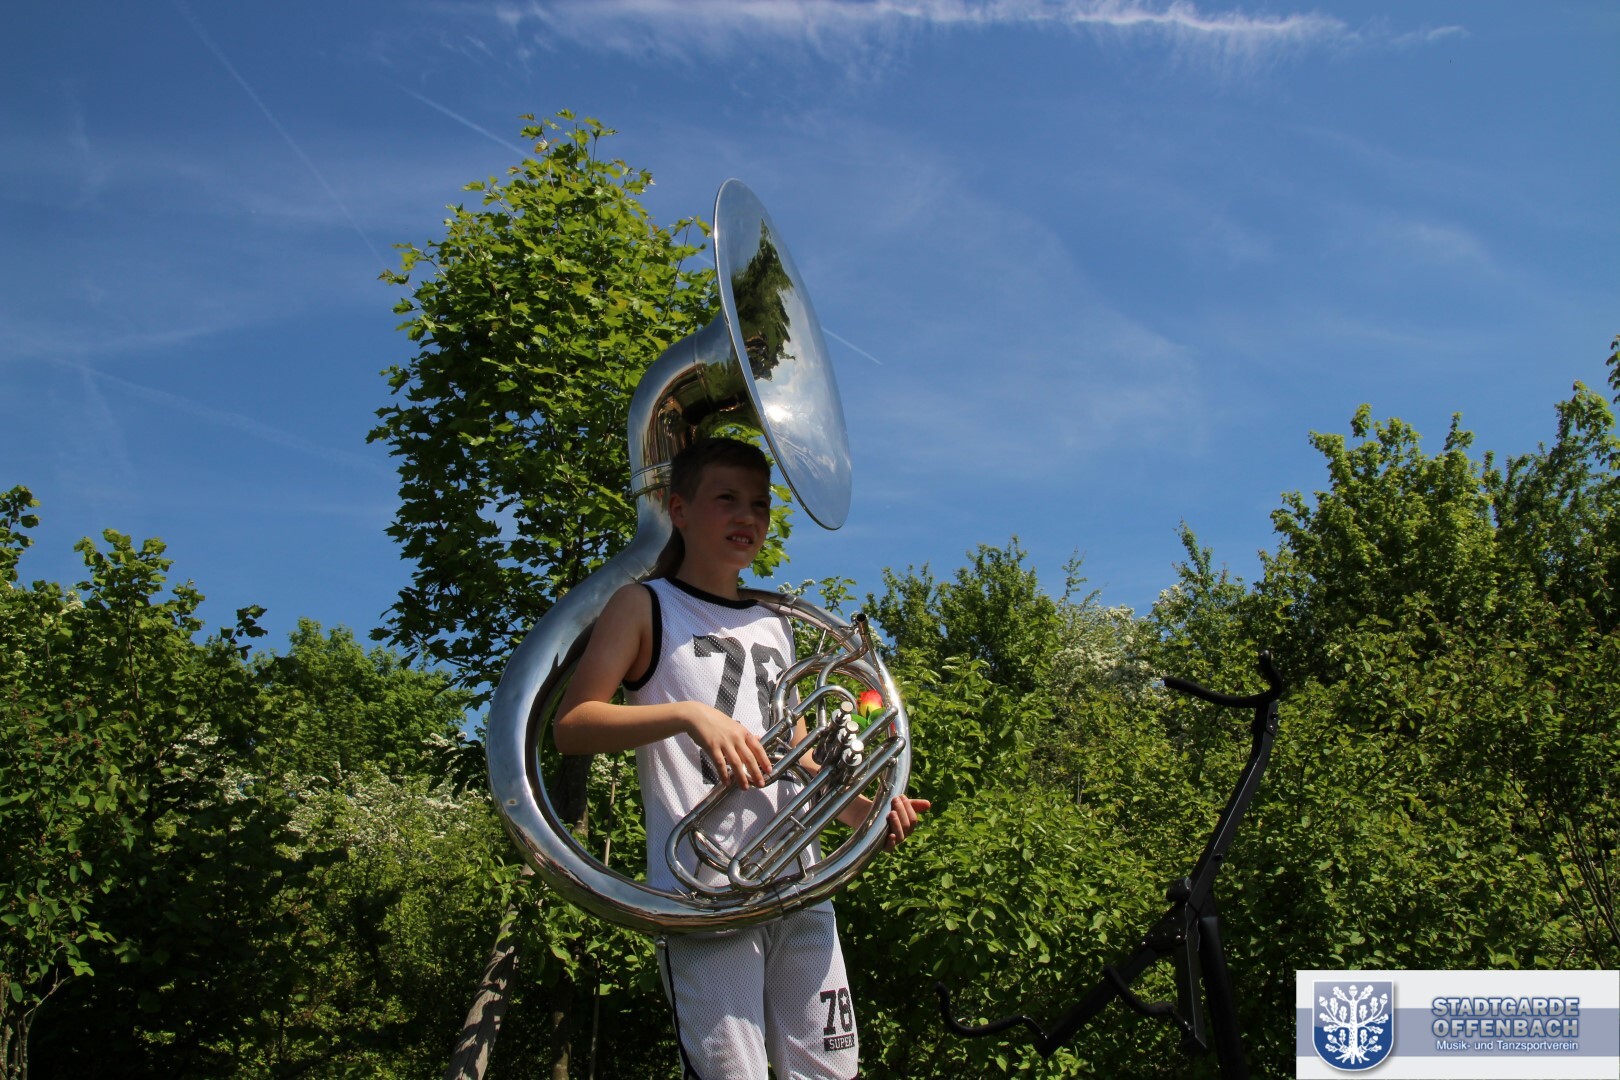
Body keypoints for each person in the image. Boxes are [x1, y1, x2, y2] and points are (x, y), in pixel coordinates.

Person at [555, 436, 928, 1080]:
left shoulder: (774, 620)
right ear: (678, 509)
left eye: (759, 503)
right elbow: (572, 725)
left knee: (830, 1071)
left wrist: (861, 809)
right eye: (725, 499)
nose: (747, 516)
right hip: (705, 894)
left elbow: (794, 754)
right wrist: (689, 715)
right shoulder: (644, 604)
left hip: (800, 882)